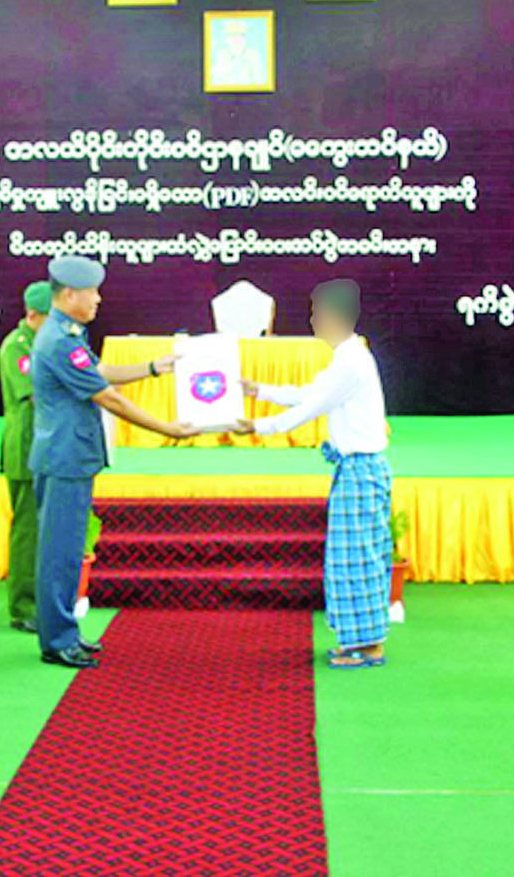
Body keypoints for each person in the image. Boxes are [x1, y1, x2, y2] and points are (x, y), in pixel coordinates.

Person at [30, 254, 198, 668]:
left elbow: (100, 371)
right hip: (65, 459)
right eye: (92, 292)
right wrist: (166, 428)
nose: (99, 299)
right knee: (60, 554)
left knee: (67, 551)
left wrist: (152, 368)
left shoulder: (67, 332)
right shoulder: (59, 341)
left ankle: (64, 632)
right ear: (70, 295)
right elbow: (108, 397)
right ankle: (57, 641)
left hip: (70, 456)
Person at [235, 279, 392, 669]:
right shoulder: (348, 357)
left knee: (358, 557)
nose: (311, 320)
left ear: (334, 316)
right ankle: (359, 640)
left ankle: (369, 645)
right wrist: (259, 390)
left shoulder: (351, 361)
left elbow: (311, 406)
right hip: (355, 470)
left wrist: (259, 427)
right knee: (351, 556)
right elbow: (310, 392)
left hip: (360, 471)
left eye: (315, 312)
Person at [0, 281, 51, 634]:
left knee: (43, 529)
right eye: (51, 317)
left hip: (47, 447)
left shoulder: (46, 343)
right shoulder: (18, 346)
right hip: (26, 448)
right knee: (28, 532)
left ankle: (41, 601)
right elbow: (35, 394)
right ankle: (23, 607)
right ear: (32, 315)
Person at [211, 20, 265, 88]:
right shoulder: (221, 55)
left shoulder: (253, 55)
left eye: (241, 35)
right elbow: (216, 80)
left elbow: (259, 81)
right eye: (233, 35)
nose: (237, 39)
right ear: (227, 39)